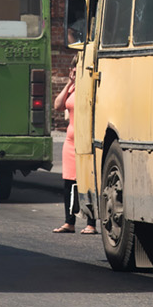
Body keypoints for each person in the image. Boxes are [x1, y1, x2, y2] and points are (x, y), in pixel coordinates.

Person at [51, 73, 95, 234]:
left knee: (89, 183)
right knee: (68, 183)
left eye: (76, 70)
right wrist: (69, 83)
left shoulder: (91, 87)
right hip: (70, 143)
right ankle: (69, 222)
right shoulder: (72, 88)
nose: (74, 73)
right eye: (72, 70)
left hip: (86, 141)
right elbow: (58, 105)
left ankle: (91, 223)